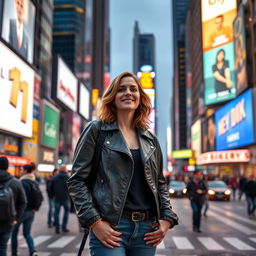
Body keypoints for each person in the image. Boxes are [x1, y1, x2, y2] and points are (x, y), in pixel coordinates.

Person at [67, 71, 178, 256]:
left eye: (133, 89)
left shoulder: (150, 139)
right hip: (111, 227)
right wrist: (95, 222)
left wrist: (167, 219)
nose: (128, 92)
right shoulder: (96, 130)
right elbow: (76, 181)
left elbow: (159, 183)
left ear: (140, 98)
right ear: (112, 97)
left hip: (147, 230)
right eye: (121, 89)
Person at [11, 164, 40, 256]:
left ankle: (14, 253)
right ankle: (33, 251)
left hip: (22, 211)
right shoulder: (34, 182)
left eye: (22, 170)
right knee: (27, 233)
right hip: (32, 211)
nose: (21, 171)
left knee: (14, 233)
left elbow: (19, 199)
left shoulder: (22, 182)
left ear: (26, 171)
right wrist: (36, 208)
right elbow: (40, 197)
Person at [0, 157, 27, 256]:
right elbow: (23, 202)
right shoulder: (15, 182)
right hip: (9, 219)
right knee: (2, 246)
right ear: (7, 167)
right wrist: (16, 218)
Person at [49, 164, 70, 234]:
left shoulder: (55, 177)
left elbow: (50, 187)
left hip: (57, 198)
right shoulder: (68, 177)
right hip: (66, 198)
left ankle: (57, 228)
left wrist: (51, 195)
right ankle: (64, 227)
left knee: (56, 213)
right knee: (66, 212)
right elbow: (72, 188)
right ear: (65, 170)